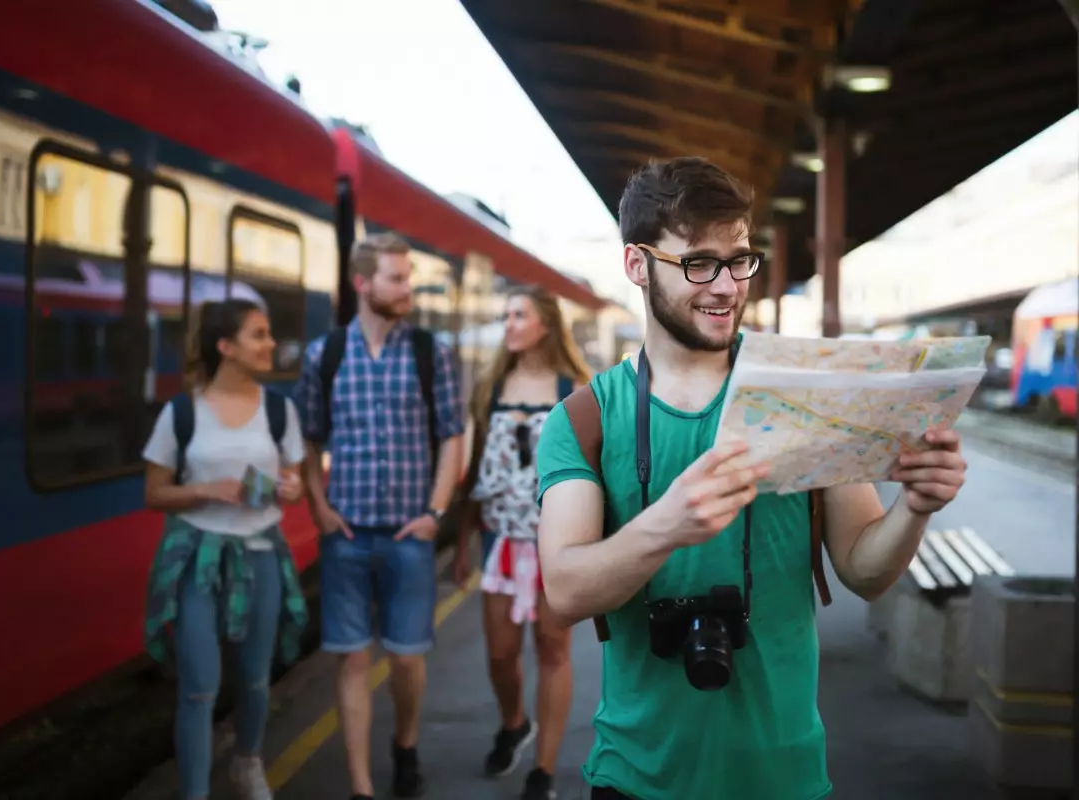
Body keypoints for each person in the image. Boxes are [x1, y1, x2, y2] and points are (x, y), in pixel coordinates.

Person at [534, 157, 969, 800]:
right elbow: (564, 590)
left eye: (738, 259)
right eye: (699, 263)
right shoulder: (585, 419)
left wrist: (915, 507)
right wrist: (665, 526)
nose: (726, 286)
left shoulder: (806, 394)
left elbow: (864, 571)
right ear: (636, 265)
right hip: (635, 777)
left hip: (785, 775)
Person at [295, 232, 465, 800]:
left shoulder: (430, 352)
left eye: (407, 277)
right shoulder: (326, 355)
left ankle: (406, 743)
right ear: (362, 283)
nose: (407, 288)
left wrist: (435, 512)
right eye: (396, 278)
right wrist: (317, 505)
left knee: (407, 661)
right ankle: (362, 786)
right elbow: (309, 438)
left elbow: (452, 438)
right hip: (345, 534)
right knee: (349, 662)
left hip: (408, 534)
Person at [140, 299, 309, 800]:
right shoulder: (182, 412)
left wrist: (293, 489)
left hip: (260, 553)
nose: (271, 344)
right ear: (226, 347)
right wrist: (205, 490)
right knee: (198, 686)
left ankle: (246, 762)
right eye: (259, 335)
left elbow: (294, 477)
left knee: (256, 679)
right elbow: (153, 494)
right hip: (198, 559)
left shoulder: (280, 410)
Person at [452, 285, 592, 800]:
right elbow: (472, 476)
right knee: (500, 653)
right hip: (499, 539)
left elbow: (594, 468)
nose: (508, 324)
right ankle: (514, 722)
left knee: (553, 649)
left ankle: (543, 771)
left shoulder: (574, 388)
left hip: (557, 539)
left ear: (545, 324)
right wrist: (463, 541)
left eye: (518, 315)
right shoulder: (490, 387)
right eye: (505, 314)